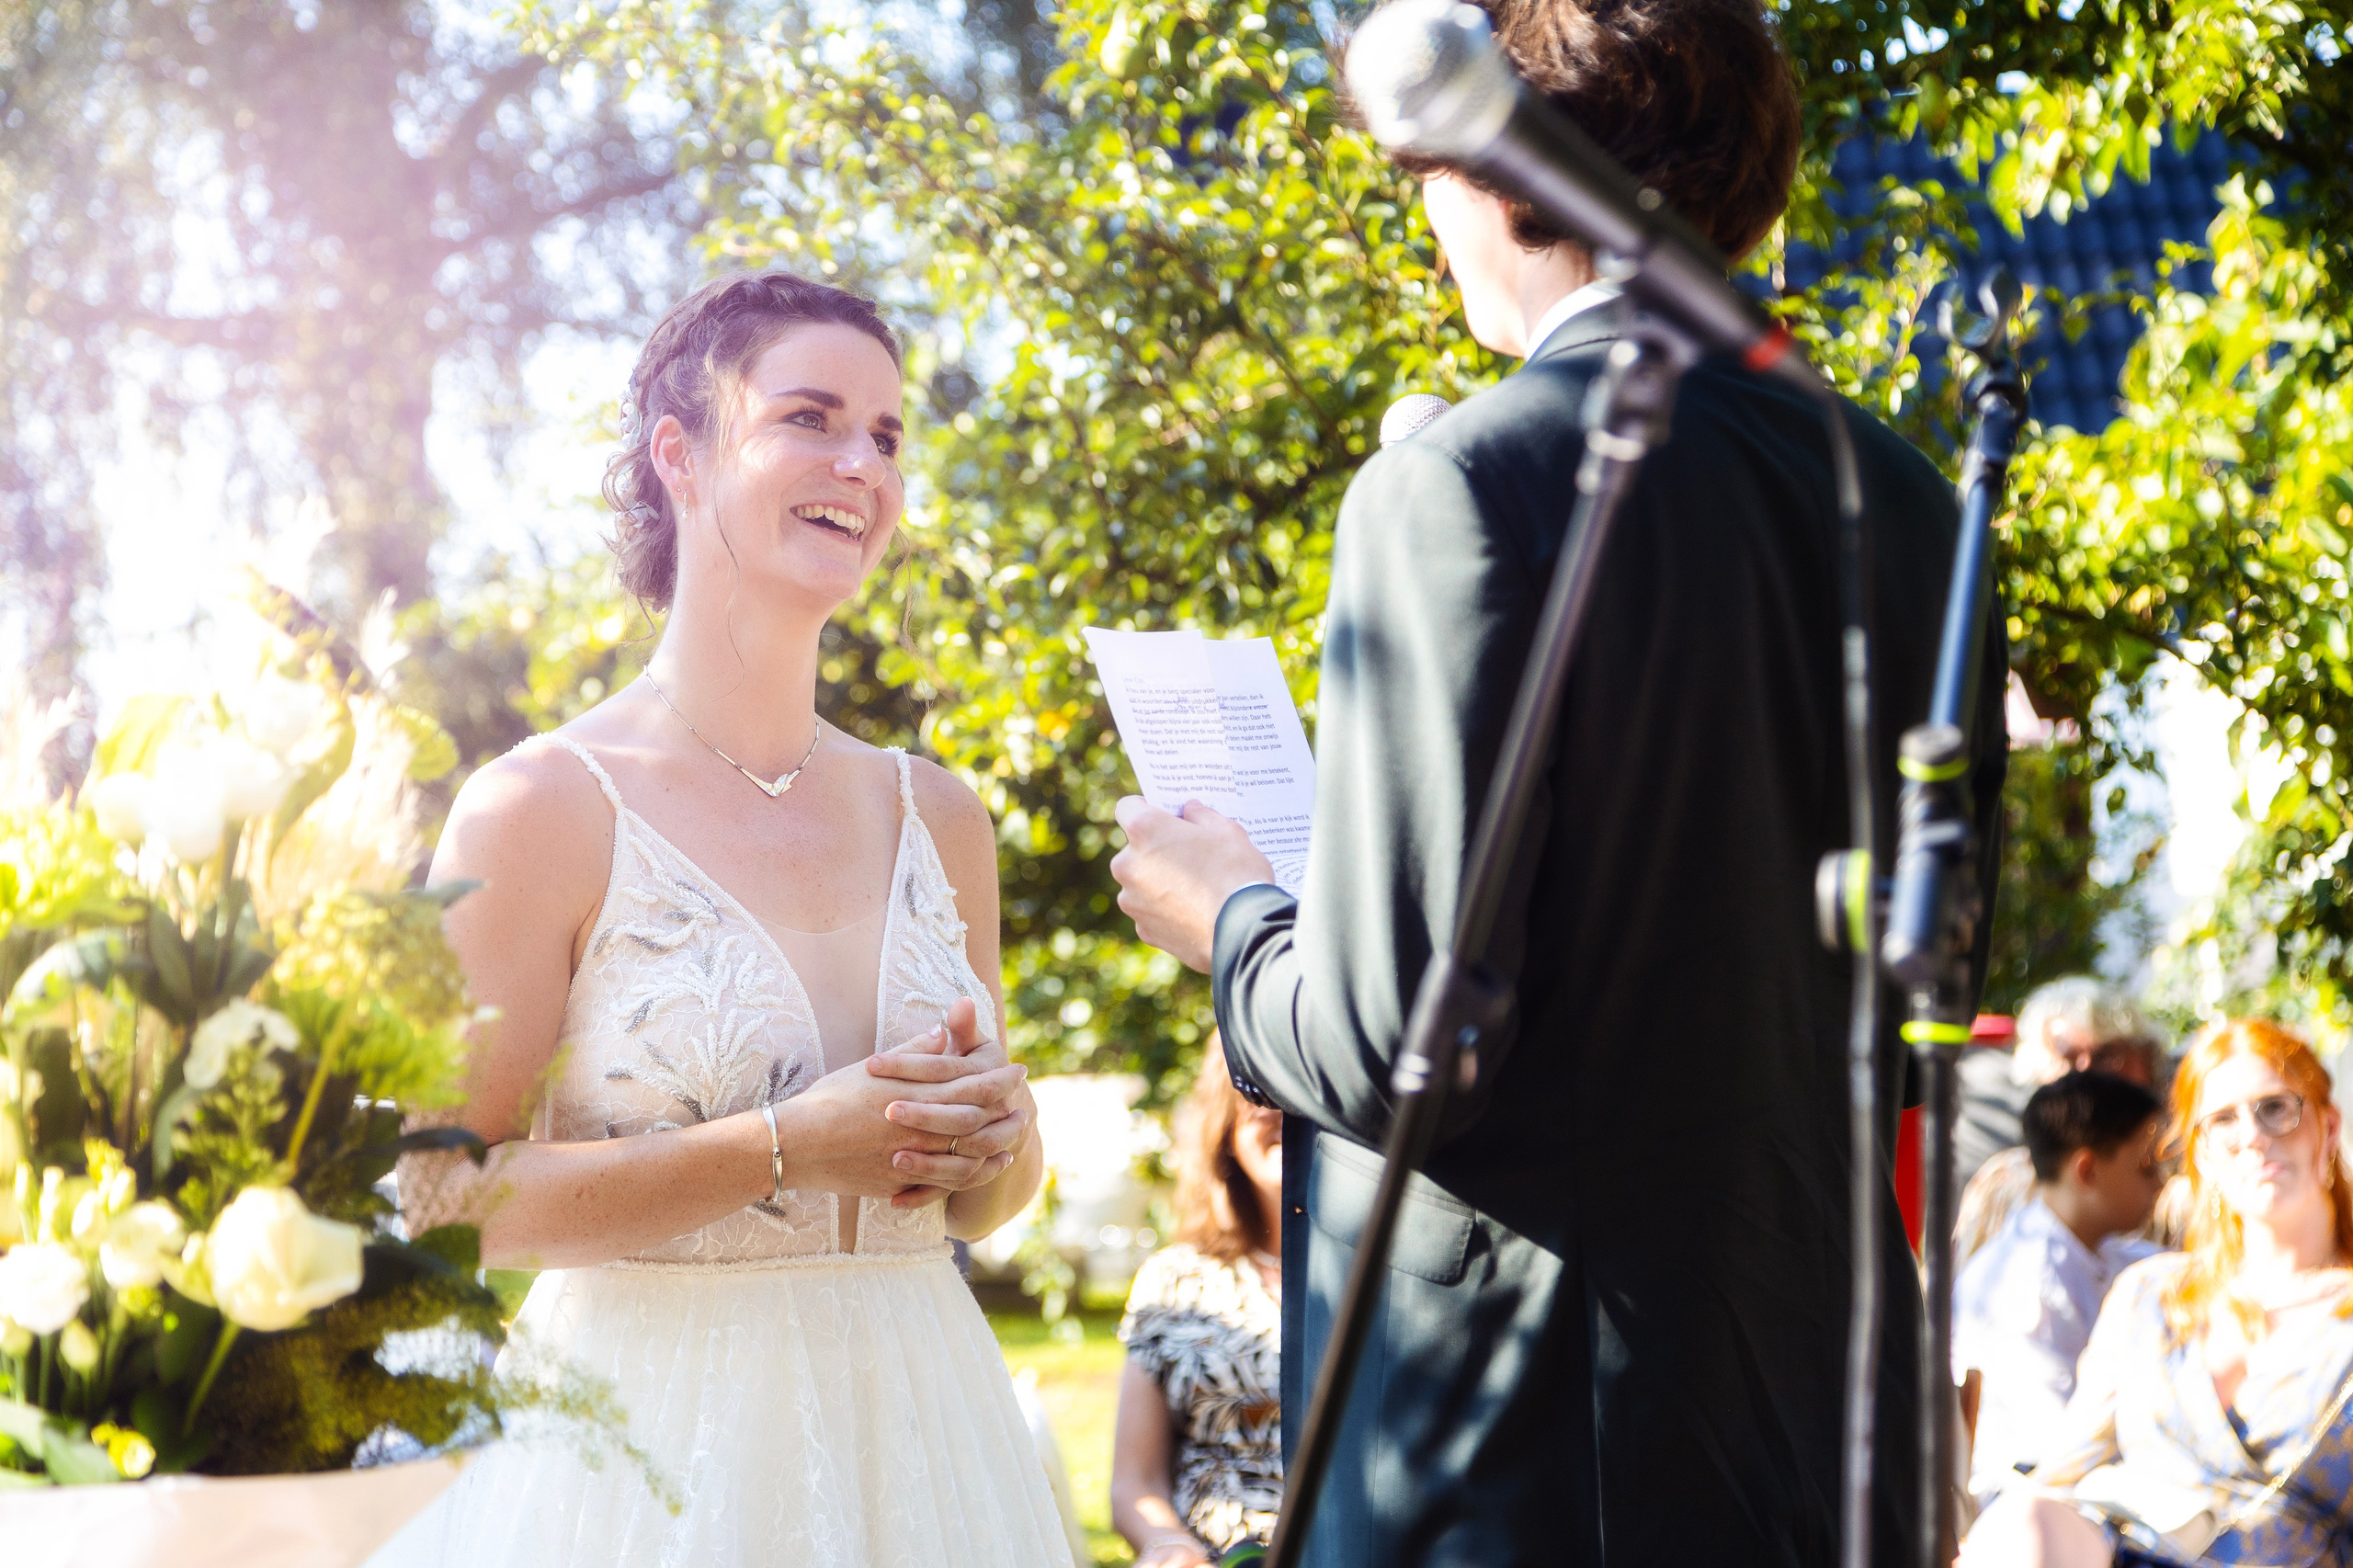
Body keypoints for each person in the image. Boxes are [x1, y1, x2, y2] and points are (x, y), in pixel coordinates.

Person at [1104, 0, 2008, 1558]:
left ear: (1498, 167)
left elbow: (1403, 1046)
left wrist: (1235, 916)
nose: (1424, 212)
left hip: (1525, 1448)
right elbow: (1918, 988)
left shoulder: (1462, 481)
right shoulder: (1915, 502)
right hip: (1815, 1416)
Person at [376, 272, 1074, 1567]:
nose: (859, 462)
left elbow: (986, 1206)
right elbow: (437, 1193)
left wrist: (1006, 1137)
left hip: (929, 1445)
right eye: (809, 417)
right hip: (652, 1464)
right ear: (680, 454)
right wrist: (786, 1146)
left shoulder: (943, 814)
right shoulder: (539, 806)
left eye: (885, 434)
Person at [1961, 1019, 2353, 1567]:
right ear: (2202, 1155)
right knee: (2026, 1526)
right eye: (2222, 1121)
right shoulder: (2149, 1294)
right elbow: (2063, 1473)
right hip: (2135, 1552)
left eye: (2276, 1108)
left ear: (2328, 1128)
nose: (2253, 1137)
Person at [1953, 1070, 2166, 1510]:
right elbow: (2063, 1451)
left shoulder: (2110, 1253)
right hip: (2033, 1504)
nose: (2160, 1182)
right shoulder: (2025, 1286)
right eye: (2145, 1166)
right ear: (2087, 1170)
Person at [1113, 1036, 1285, 1564]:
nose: (1286, 1112)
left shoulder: (1403, 1280)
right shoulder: (1174, 1281)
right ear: (1226, 1124)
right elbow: (1134, 1481)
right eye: (1263, 1091)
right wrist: (1169, 1546)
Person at [1957, 979, 2167, 1264]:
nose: (2086, 1071)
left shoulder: (2182, 1175)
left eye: (2106, 1055)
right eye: (2068, 1058)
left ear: (2144, 1062)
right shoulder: (2006, 1183)